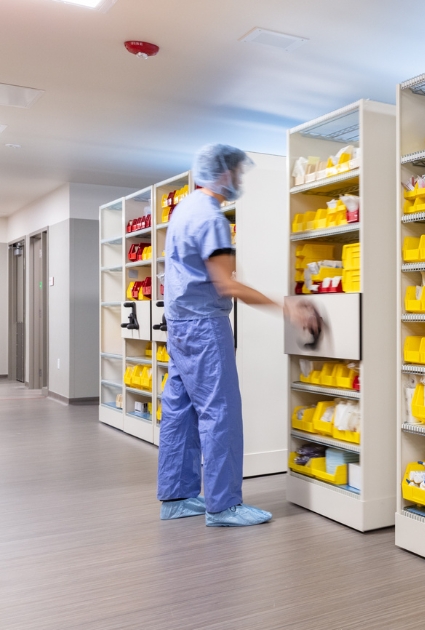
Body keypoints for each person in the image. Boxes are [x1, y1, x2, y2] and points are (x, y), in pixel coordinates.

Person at [157, 144, 315, 527]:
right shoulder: (210, 217)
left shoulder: (183, 210)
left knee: (180, 410)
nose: (240, 180)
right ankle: (223, 505)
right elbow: (226, 284)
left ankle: (177, 497)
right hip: (204, 326)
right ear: (224, 174)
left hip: (178, 324)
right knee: (220, 412)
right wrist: (286, 306)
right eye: (239, 173)